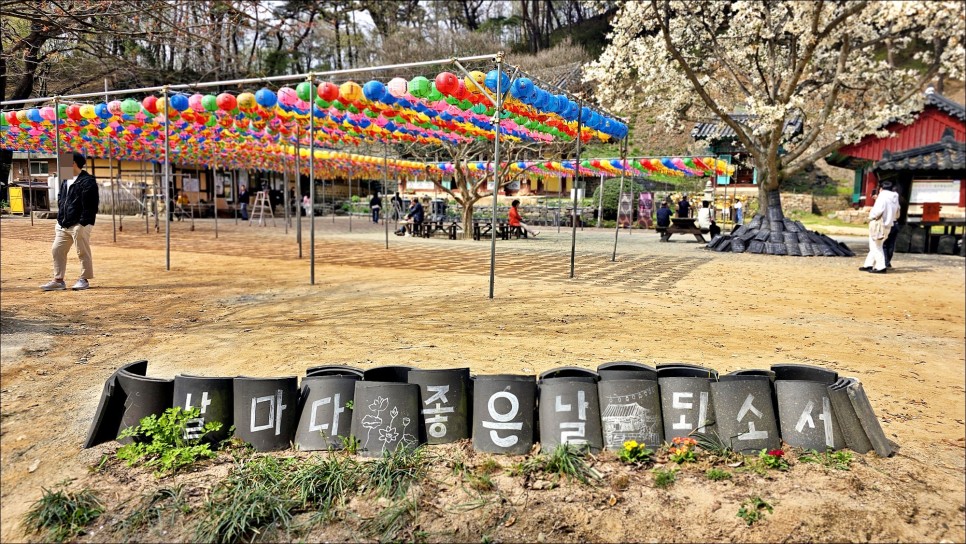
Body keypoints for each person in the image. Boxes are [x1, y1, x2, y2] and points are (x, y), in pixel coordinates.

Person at [41, 153, 99, 291]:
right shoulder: (66, 179)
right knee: (57, 249)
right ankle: (58, 280)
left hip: (80, 224)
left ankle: (84, 279)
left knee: (82, 252)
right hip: (63, 224)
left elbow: (91, 205)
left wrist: (82, 223)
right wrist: (60, 218)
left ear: (73, 163)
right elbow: (61, 198)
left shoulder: (88, 181)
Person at [861, 179, 900, 274]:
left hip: (878, 224)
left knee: (875, 246)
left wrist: (871, 217)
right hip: (889, 224)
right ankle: (868, 264)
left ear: (881, 188)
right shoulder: (895, 198)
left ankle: (881, 266)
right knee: (877, 244)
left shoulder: (882, 197)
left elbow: (878, 210)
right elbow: (898, 212)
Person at [882, 181, 904, 268]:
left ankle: (885, 261)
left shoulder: (886, 200)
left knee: (883, 244)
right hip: (895, 223)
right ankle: (888, 261)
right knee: (891, 244)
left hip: (887, 223)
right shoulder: (897, 202)